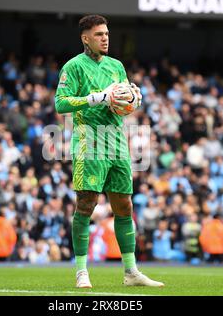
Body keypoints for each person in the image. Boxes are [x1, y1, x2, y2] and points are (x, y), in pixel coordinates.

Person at [55, 14, 163, 288]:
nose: (105, 38)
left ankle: (131, 272)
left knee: (124, 206)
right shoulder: (73, 67)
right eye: (99, 34)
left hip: (117, 142)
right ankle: (81, 271)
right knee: (87, 204)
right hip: (90, 143)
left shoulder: (117, 66)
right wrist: (98, 97)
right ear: (85, 38)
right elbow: (61, 104)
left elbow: (123, 101)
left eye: (107, 33)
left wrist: (133, 100)